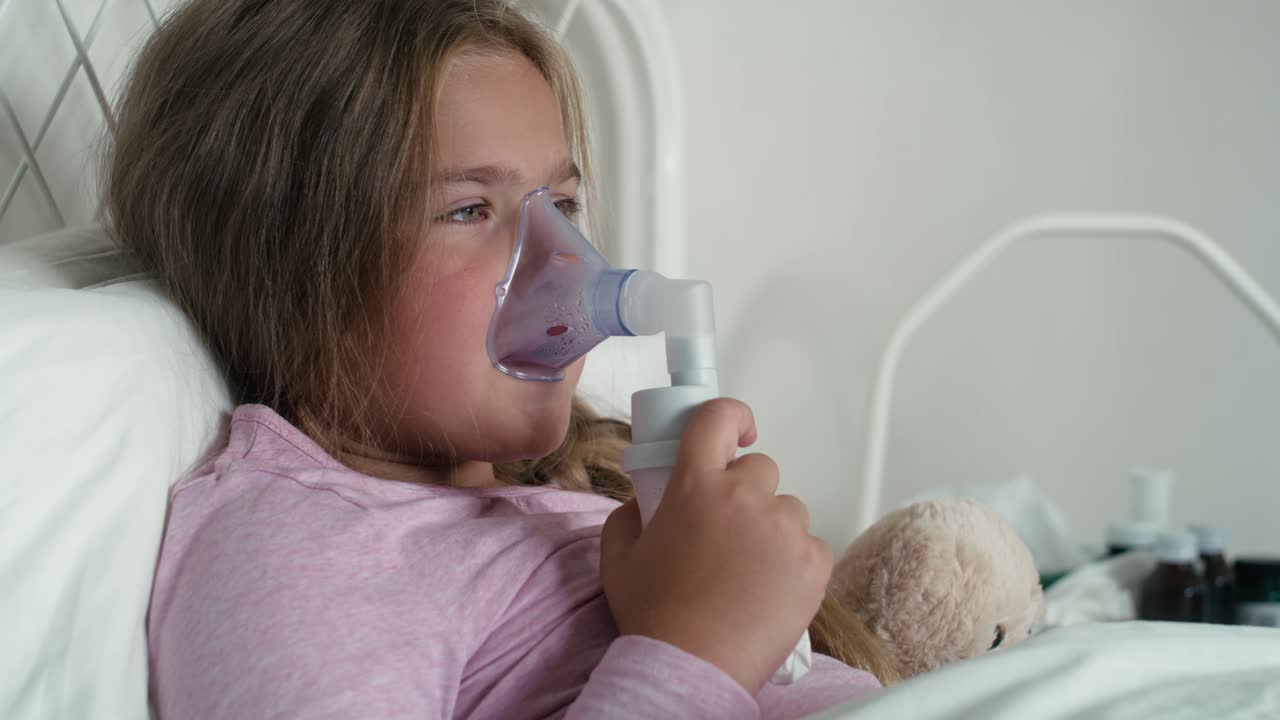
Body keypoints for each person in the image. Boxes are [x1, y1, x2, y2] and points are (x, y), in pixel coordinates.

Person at [104, 1, 898, 717]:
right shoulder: (294, 561)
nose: (566, 264)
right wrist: (696, 648)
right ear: (283, 267)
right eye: (470, 209)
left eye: (562, 206)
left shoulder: (563, 493)